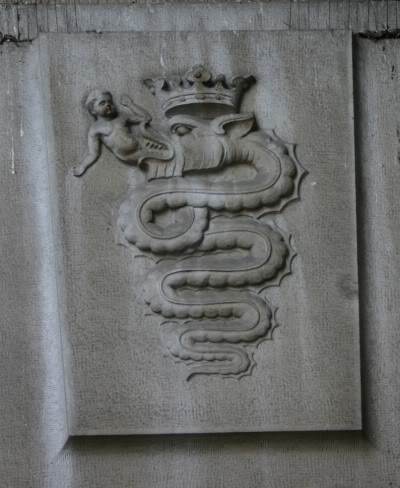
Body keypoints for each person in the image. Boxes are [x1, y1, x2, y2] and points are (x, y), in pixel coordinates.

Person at [73, 90, 152, 177]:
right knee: (154, 160)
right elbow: (93, 154)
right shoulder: (95, 129)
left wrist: (130, 104)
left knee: (162, 154)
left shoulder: (122, 116)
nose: (108, 104)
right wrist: (82, 166)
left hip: (142, 144)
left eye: (110, 102)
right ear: (93, 110)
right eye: (102, 103)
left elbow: (146, 118)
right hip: (129, 155)